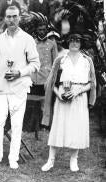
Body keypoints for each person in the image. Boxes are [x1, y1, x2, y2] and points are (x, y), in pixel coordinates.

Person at [0, 5, 40, 169]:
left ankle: (13, 158)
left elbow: (36, 64)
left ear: (19, 17)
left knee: (17, 124)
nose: (11, 19)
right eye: (8, 16)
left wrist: (20, 72)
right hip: (0, 88)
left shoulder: (27, 39)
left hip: (19, 87)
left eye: (14, 16)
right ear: (4, 18)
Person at [41, 32, 96, 172]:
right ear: (68, 42)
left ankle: (73, 160)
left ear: (81, 43)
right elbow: (50, 82)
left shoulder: (87, 60)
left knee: (76, 128)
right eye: (72, 40)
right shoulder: (60, 59)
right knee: (58, 128)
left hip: (79, 97)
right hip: (62, 97)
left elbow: (92, 83)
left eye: (77, 40)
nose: (74, 43)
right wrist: (58, 93)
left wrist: (78, 91)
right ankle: (50, 160)